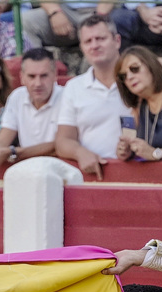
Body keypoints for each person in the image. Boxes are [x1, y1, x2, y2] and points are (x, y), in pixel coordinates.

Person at [55, 14, 131, 180]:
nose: (94, 45)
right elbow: (63, 141)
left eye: (100, 39)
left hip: (139, 174)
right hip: (93, 176)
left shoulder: (138, 78)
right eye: (88, 41)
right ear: (82, 48)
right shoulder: (74, 87)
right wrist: (80, 152)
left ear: (117, 41)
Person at [0, 48, 63, 173]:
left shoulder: (67, 97)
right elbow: (3, 139)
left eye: (44, 76)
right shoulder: (17, 96)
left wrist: (12, 152)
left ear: (55, 75)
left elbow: (61, 145)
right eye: (31, 76)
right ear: (22, 77)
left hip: (60, 170)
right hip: (27, 171)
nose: (37, 83)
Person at [21, 1, 115, 52]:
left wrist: (100, 17)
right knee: (27, 21)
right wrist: (54, 12)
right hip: (64, 10)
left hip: (103, 10)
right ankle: (38, 68)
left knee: (117, 21)